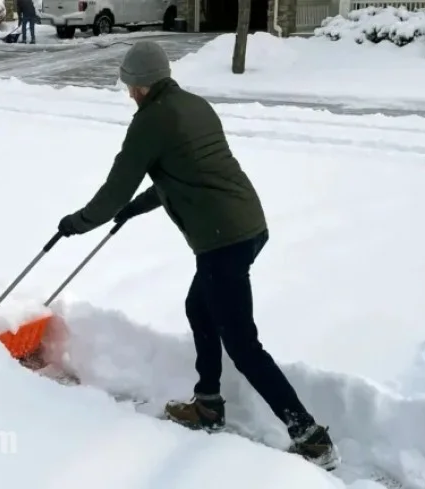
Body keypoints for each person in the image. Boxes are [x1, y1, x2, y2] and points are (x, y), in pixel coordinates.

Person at [56, 40, 339, 471]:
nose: (129, 93)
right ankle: (208, 404)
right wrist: (139, 206)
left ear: (142, 84)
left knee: (242, 344)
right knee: (200, 308)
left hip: (222, 239)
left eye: (130, 85)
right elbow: (186, 172)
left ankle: (309, 435)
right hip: (247, 225)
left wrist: (77, 223)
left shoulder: (150, 121)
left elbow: (114, 191)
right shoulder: (192, 105)